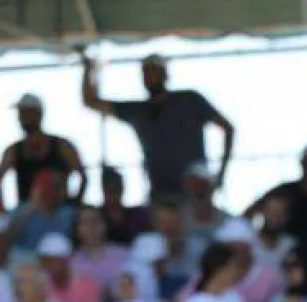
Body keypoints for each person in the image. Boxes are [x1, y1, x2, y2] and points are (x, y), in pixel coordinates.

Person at [81, 52, 235, 202]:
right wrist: (89, 69)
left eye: (154, 71)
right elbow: (91, 102)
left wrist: (221, 174)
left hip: (195, 196)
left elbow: (228, 128)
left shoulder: (189, 100)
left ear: (165, 74)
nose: (149, 77)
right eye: (145, 73)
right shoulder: (138, 111)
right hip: (161, 198)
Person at [0, 93, 86, 208]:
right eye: (20, 113)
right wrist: (3, 211)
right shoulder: (14, 151)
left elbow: (82, 175)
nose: (21, 118)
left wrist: (74, 205)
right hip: (28, 217)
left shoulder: (62, 146)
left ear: (38, 114)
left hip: (59, 214)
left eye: (25, 113)